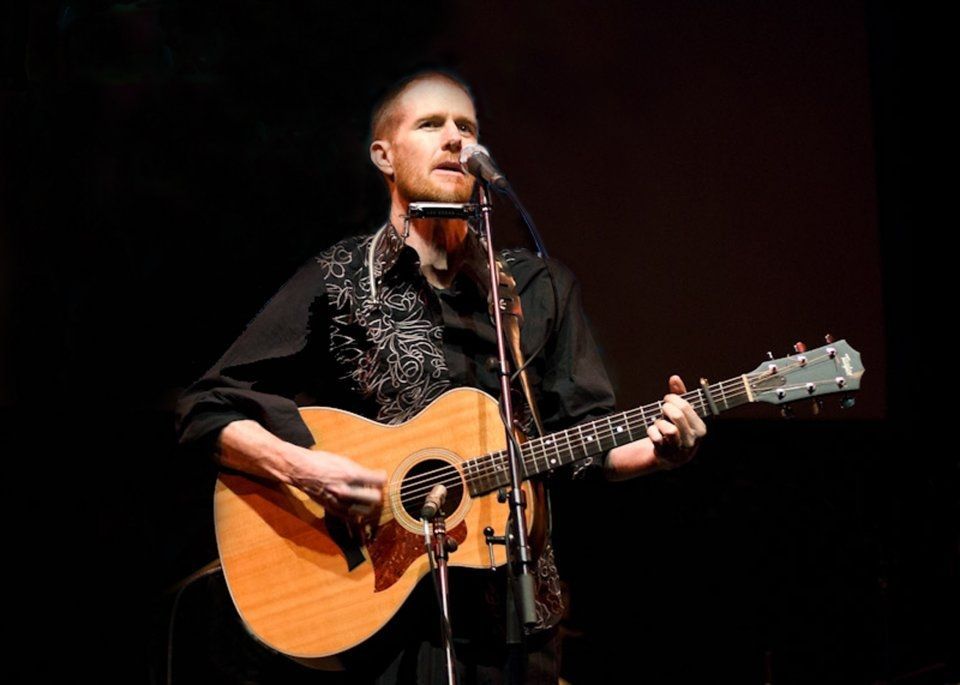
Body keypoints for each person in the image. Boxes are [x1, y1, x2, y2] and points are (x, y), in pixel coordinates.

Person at [174, 69, 706, 683]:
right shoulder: (340, 278)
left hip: (516, 619)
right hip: (386, 618)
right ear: (384, 154)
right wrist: (307, 468)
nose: (454, 137)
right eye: (431, 124)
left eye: (467, 127)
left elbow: (580, 442)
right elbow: (206, 406)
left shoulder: (536, 289)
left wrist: (661, 451)